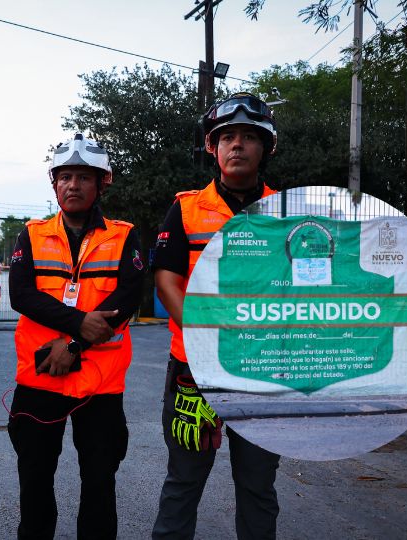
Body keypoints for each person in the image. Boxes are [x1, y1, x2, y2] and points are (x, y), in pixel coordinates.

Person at [150, 92, 282, 539]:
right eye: (227, 137)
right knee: (184, 480)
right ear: (213, 147)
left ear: (266, 147)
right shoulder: (185, 208)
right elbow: (166, 278)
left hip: (264, 371)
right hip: (195, 370)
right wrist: (204, 331)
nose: (237, 145)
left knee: (258, 485)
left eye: (249, 137)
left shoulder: (288, 211)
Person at [8, 133, 144, 539]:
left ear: (102, 182)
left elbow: (128, 297)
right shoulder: (31, 234)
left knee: (100, 482)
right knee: (34, 481)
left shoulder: (124, 235)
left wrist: (75, 344)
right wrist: (78, 323)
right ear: (54, 184)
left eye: (84, 177)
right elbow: (21, 295)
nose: (73, 185)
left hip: (100, 382)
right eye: (65, 177)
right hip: (40, 376)